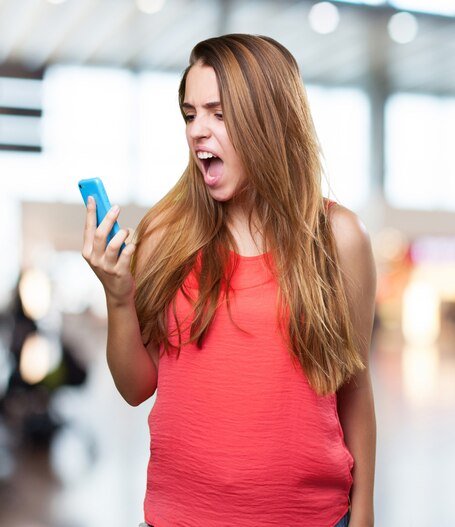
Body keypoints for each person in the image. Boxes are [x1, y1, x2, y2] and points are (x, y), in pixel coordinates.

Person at [82, 33, 376, 527]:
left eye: (218, 112)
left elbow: (355, 389)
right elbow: (136, 387)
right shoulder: (165, 235)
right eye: (190, 113)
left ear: (269, 118)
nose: (198, 130)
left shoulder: (339, 237)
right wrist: (118, 298)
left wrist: (364, 512)